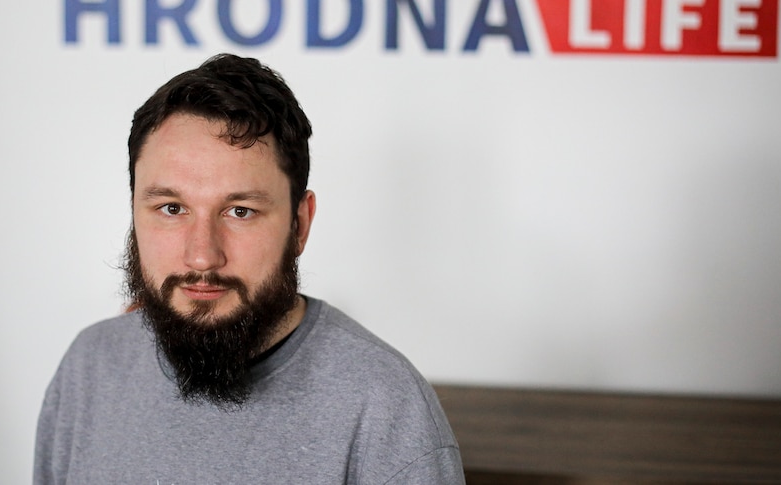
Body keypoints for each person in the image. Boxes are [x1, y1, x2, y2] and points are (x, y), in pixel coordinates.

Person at [33, 53, 464, 484]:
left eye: (240, 211)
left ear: (300, 224)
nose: (202, 257)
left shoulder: (386, 410)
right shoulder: (89, 368)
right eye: (171, 208)